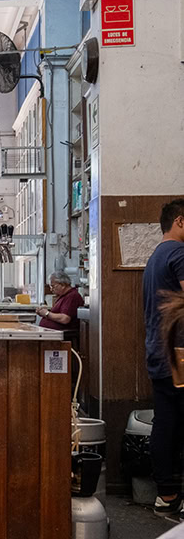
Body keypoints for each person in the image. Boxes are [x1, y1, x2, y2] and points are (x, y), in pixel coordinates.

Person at [143, 199, 184, 515]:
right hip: (180, 352)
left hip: (159, 350)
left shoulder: (156, 256)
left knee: (166, 422)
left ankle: (166, 495)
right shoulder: (180, 255)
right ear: (180, 222)